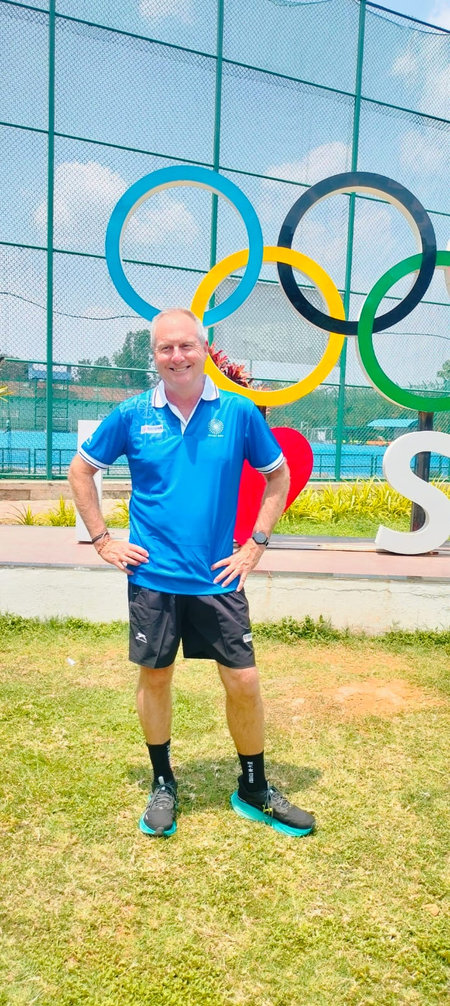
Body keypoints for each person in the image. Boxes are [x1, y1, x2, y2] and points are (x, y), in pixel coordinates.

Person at [68, 308, 315, 839]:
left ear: (204, 350)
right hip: (153, 579)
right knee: (156, 677)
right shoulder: (132, 414)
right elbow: (81, 470)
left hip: (218, 578)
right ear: (153, 355)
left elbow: (278, 476)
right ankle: (163, 783)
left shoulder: (239, 412)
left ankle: (253, 787)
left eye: (186, 346)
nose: (177, 356)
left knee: (244, 681)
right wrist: (103, 540)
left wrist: (256, 545)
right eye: (165, 348)